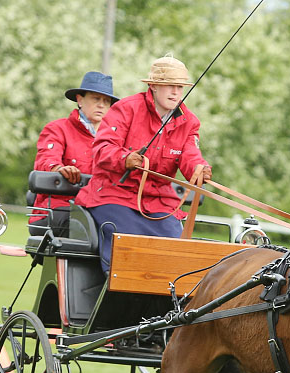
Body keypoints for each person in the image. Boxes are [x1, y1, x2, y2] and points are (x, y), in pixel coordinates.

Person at [74, 55, 212, 273]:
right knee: (127, 246)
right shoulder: (127, 109)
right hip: (114, 195)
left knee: (178, 251)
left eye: (180, 87)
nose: (175, 92)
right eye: (169, 86)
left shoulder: (190, 122)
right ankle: (116, 293)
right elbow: (102, 149)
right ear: (154, 86)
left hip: (160, 202)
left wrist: (199, 168)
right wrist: (125, 159)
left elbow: (190, 154)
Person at [29, 71, 119, 235]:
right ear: (79, 99)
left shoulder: (116, 139)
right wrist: (58, 169)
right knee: (89, 227)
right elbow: (45, 161)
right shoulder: (57, 129)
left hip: (98, 211)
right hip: (57, 209)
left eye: (106, 101)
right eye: (96, 99)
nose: (101, 105)